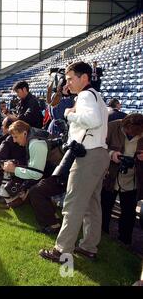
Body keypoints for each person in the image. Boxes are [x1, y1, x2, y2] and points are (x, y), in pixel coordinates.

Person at [40, 61, 109, 263]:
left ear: (84, 78)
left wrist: (70, 114)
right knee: (92, 205)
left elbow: (93, 120)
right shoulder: (96, 96)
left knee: (73, 203)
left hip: (87, 156)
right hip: (98, 154)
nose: (67, 83)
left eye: (71, 79)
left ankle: (62, 251)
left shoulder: (86, 95)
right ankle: (88, 247)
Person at [101, 114, 143, 245]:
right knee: (104, 208)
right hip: (110, 177)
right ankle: (102, 235)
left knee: (129, 214)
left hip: (133, 181)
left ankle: (125, 242)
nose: (131, 134)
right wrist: (111, 154)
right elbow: (99, 146)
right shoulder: (112, 126)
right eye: (128, 131)